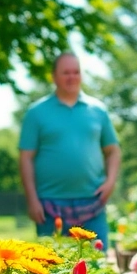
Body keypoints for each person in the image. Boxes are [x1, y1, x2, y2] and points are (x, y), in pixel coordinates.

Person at [18, 53, 120, 247]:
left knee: (97, 269)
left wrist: (111, 182)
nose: (72, 77)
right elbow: (25, 158)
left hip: (93, 202)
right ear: (54, 76)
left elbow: (113, 151)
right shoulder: (36, 112)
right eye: (66, 73)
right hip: (48, 206)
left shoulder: (98, 110)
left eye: (76, 72)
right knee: (52, 271)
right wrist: (32, 200)